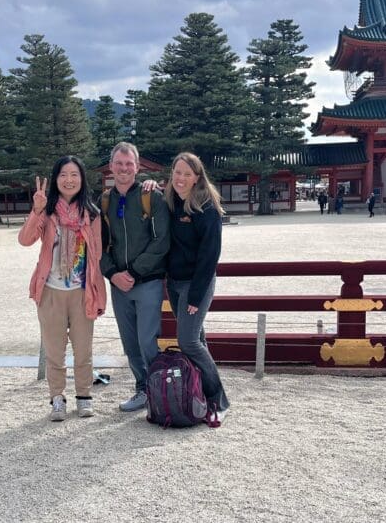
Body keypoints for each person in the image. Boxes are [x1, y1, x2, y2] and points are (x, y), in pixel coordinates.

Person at [19, 156, 106, 421]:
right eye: (63, 175)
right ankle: (57, 397)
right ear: (56, 180)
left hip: (82, 291)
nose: (69, 180)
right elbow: (25, 240)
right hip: (51, 291)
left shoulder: (92, 214)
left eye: (74, 175)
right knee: (55, 351)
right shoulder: (47, 212)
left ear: (82, 179)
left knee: (83, 349)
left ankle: (84, 396)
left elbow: (98, 253)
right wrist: (36, 210)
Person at [100, 142, 171, 412]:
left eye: (129, 164)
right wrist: (112, 273)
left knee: (146, 340)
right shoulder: (104, 200)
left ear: (138, 167)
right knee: (129, 343)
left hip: (148, 281)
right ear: (111, 166)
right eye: (119, 163)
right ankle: (142, 388)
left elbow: (162, 240)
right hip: (119, 285)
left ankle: (159, 391)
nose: (124, 169)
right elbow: (98, 244)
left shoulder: (151, 196)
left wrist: (133, 271)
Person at [164, 152, 229, 426]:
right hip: (174, 282)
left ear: (197, 178)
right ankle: (199, 391)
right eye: (177, 172)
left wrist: (196, 294)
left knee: (188, 341)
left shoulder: (206, 207)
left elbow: (210, 254)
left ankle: (218, 398)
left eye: (187, 174)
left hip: (195, 284)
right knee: (197, 341)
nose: (180, 179)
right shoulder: (170, 201)